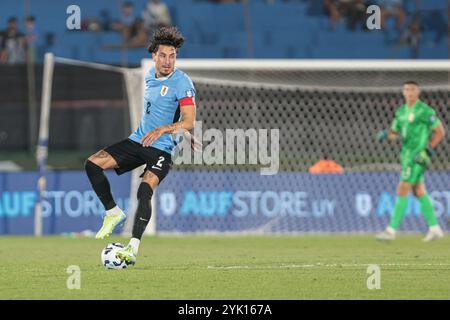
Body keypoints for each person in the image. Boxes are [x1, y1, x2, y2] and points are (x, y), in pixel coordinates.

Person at [84, 26, 197, 264]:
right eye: (163, 55)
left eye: (172, 55)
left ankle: (132, 248)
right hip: (139, 140)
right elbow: (169, 113)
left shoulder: (182, 82)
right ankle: (113, 212)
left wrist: (170, 130)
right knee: (93, 164)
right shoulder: (148, 76)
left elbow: (188, 119)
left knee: (144, 190)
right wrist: (184, 132)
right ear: (154, 56)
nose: (168, 61)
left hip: (162, 148)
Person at [375, 81, 445, 242]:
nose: (409, 92)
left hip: (418, 156)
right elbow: (395, 133)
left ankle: (390, 231)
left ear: (418, 92)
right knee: (418, 191)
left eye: (412, 89)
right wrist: (386, 135)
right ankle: (435, 228)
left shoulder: (425, 110)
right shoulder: (401, 112)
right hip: (406, 156)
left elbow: (440, 131)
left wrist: (428, 149)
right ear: (403, 92)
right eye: (406, 89)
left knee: (402, 188)